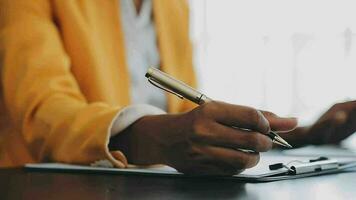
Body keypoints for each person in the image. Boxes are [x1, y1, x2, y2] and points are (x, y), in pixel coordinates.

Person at [0, 0, 352, 175]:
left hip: (153, 188)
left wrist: (303, 135)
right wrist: (146, 139)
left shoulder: (171, 5)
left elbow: (187, 118)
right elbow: (42, 111)